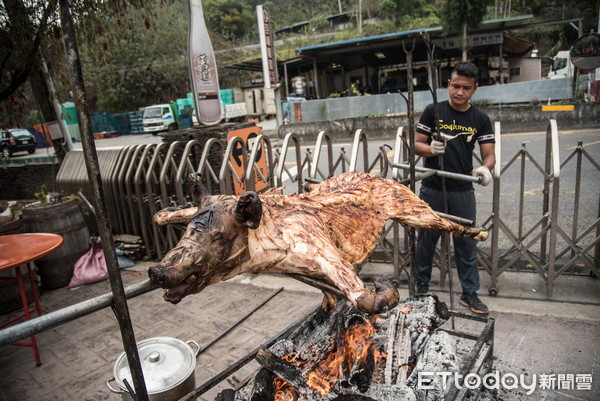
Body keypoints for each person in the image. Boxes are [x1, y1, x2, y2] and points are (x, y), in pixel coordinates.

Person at [414, 61, 496, 315]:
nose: (460, 92)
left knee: (466, 245)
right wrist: (431, 149)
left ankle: (469, 293)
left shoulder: (480, 119)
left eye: (466, 88)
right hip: (432, 188)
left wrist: (485, 170)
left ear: (475, 89)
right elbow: (417, 144)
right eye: (456, 86)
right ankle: (421, 288)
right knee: (426, 243)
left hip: (462, 190)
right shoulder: (433, 111)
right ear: (448, 84)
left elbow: (489, 155)